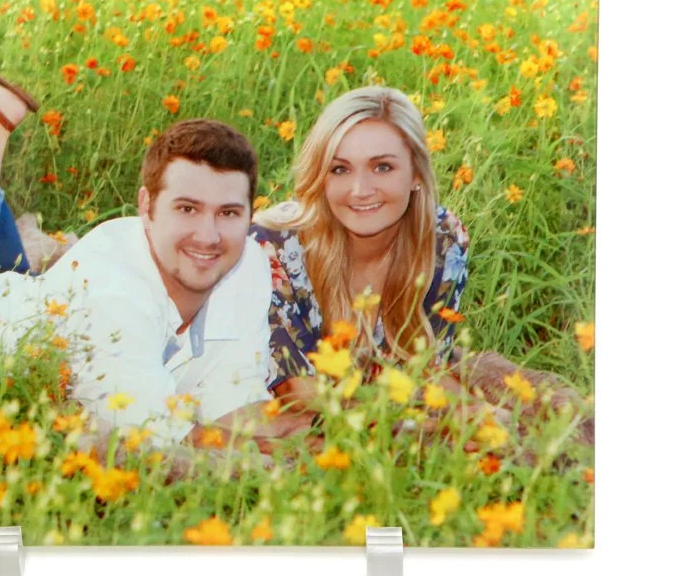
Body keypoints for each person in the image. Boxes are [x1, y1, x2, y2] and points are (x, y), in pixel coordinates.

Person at [0, 43, 314, 452]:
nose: (208, 235)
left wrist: (339, 435)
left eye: (228, 213)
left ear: (249, 214)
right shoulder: (115, 292)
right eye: (186, 209)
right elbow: (155, 443)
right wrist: (273, 456)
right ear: (145, 205)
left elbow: (233, 402)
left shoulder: (245, 264)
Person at [250, 87, 590, 439]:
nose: (360, 189)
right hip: (287, 413)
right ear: (320, 176)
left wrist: (482, 416)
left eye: (382, 167)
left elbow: (426, 367)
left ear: (415, 172)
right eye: (340, 169)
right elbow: (299, 394)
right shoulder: (271, 249)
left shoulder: (441, 240)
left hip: (379, 399)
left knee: (527, 428)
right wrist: (441, 424)